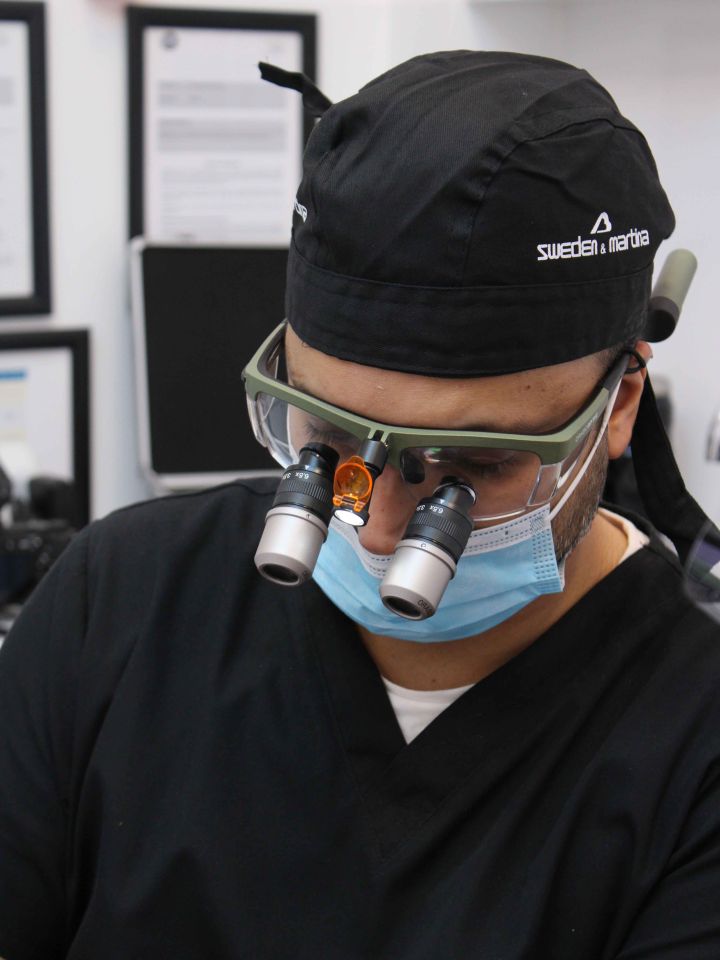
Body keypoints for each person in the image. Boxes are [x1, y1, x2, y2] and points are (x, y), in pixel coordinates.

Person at [1, 50, 719, 960]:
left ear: (617, 406)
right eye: (329, 444)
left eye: (466, 472)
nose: (377, 530)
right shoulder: (118, 600)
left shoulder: (694, 741)